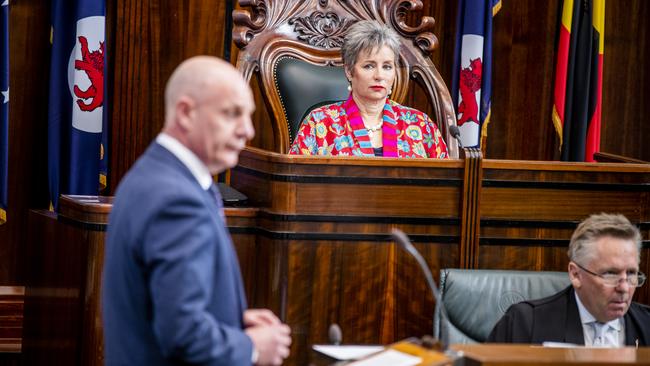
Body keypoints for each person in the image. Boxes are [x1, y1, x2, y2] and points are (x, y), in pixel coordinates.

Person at [102, 56, 291, 365]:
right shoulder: (177, 200)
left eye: (249, 116)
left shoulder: (154, 174)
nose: (248, 131)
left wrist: (231, 319)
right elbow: (183, 334)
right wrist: (251, 348)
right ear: (186, 113)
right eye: (232, 114)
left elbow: (162, 306)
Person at [289, 20, 448, 158]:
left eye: (387, 66)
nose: (379, 75)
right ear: (349, 71)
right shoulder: (319, 123)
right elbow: (294, 184)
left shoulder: (420, 125)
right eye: (369, 66)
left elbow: (445, 183)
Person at [488, 213, 650, 347]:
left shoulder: (646, 324)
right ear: (575, 275)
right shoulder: (525, 323)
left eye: (631, 273)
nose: (624, 288)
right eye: (610, 274)